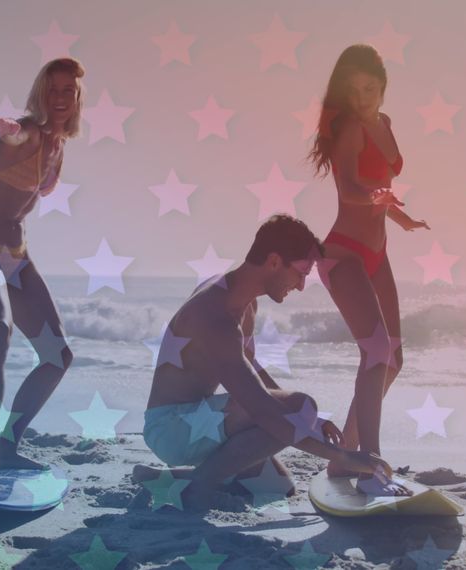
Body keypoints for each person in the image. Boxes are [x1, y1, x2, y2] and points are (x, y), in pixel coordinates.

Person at [134, 214, 394, 510]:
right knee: (300, 406)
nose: (301, 285)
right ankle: (197, 488)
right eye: (301, 273)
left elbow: (249, 370)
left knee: (277, 487)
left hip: (199, 419)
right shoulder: (214, 315)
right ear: (273, 261)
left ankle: (162, 478)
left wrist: (311, 422)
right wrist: (343, 456)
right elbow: (262, 408)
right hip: (174, 428)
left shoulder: (242, 300)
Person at [0, 58, 85, 492]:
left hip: (15, 257)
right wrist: (6, 127)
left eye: (70, 90)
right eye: (54, 90)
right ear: (41, 94)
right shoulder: (29, 130)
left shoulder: (60, 145)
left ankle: (9, 444)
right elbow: (18, 132)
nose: (62, 98)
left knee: (57, 355)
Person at [306, 44, 431, 496]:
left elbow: (381, 190)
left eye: (370, 89)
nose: (362, 98)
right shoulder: (351, 129)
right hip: (344, 255)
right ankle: (369, 467)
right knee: (376, 352)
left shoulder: (385, 124)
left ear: (383, 86)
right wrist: (379, 198)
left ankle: (346, 458)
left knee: (393, 359)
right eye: (354, 90)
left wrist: (401, 217)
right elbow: (350, 189)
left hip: (378, 253)